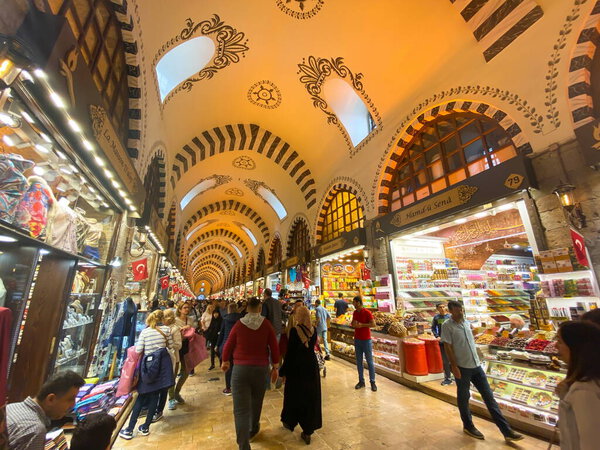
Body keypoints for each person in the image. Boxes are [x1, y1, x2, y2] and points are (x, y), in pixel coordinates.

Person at [441, 300, 523, 442]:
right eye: (457, 310)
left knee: (489, 398)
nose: (460, 312)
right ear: (450, 311)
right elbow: (448, 347)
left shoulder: (466, 323)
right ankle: (468, 425)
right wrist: (454, 367)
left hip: (476, 366)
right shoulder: (447, 326)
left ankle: (506, 431)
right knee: (464, 398)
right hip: (462, 367)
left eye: (461, 309)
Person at [221, 297, 280, 450]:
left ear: (247, 308)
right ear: (260, 308)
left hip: (240, 370)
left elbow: (229, 344)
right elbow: (274, 346)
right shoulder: (266, 324)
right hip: (260, 370)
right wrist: (275, 366)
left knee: (240, 410)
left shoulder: (239, 325)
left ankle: (243, 445)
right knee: (256, 401)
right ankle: (253, 428)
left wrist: (225, 361)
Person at [119, 310, 174, 440]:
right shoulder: (166, 330)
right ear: (162, 319)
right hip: (161, 367)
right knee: (155, 395)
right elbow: (171, 346)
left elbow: (138, 350)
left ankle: (129, 429)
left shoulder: (145, 332)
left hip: (148, 367)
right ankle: (146, 426)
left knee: (141, 396)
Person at [7, 371, 85, 450]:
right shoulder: (36, 431)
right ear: (50, 399)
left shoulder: (10, 407)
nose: (73, 404)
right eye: (70, 399)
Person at [279, 305, 322, 445]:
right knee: (310, 397)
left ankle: (290, 421)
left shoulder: (295, 330)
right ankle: (308, 429)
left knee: (294, 395)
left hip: (298, 369)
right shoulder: (314, 330)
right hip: (311, 367)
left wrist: (283, 371)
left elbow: (290, 354)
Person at [556, 320, 600, 450]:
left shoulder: (584, 392)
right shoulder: (588, 384)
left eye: (560, 341)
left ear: (575, 348)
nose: (555, 346)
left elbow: (591, 443)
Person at [157, 308, 182, 413]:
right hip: (161, 358)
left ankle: (171, 398)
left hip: (173, 358)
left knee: (171, 379)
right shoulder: (158, 328)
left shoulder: (175, 329)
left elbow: (179, 345)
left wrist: (168, 344)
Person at [170, 302, 193, 407]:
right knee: (173, 373)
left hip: (186, 347)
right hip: (175, 348)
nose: (187, 309)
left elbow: (193, 331)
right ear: (179, 309)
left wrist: (190, 329)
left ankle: (177, 392)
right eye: (184, 308)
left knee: (186, 371)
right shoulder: (174, 321)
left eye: (188, 308)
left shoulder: (190, 320)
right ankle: (171, 398)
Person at [351, 296, 377, 391]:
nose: (353, 304)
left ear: (358, 302)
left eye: (354, 302)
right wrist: (354, 324)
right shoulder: (355, 313)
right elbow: (353, 323)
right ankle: (361, 381)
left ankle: (372, 382)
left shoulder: (367, 312)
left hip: (366, 340)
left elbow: (373, 324)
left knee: (369, 362)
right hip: (357, 339)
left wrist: (362, 325)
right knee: (359, 362)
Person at [217, 303, 243, 395]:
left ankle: (228, 388)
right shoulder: (241, 318)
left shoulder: (225, 319)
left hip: (226, 344)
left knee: (228, 366)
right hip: (238, 345)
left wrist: (217, 345)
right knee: (238, 366)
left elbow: (222, 333)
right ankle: (238, 386)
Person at [431, 303, 452, 385]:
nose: (443, 308)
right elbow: (433, 328)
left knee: (454, 359)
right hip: (442, 341)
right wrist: (437, 336)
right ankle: (448, 378)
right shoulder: (436, 318)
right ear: (437, 309)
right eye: (440, 307)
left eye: (444, 307)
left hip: (451, 341)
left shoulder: (450, 317)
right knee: (445, 360)